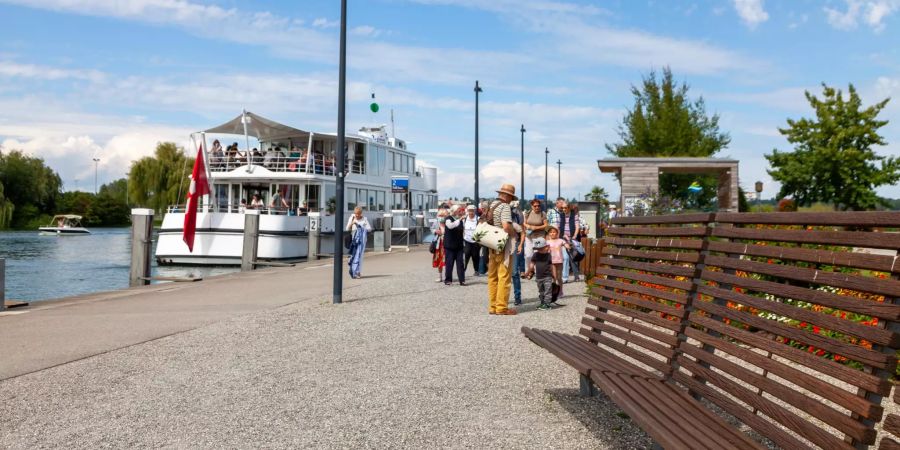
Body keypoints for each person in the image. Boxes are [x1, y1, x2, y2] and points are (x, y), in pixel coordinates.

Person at [486, 183, 518, 315]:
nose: (511, 200)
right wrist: (514, 234)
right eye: (511, 197)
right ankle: (501, 307)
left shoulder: (491, 205)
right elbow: (506, 226)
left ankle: (493, 306)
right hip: (502, 244)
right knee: (504, 276)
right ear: (507, 196)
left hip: (490, 243)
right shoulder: (504, 207)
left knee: (492, 276)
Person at [523, 237, 554, 311]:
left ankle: (547, 304)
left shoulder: (549, 255)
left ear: (546, 247)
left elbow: (551, 266)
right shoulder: (535, 255)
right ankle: (543, 302)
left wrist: (554, 276)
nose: (539, 250)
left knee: (548, 290)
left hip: (547, 276)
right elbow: (531, 265)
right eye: (538, 249)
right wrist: (527, 273)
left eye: (541, 248)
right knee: (541, 291)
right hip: (539, 277)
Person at [442, 205, 466, 285]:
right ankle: (448, 280)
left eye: (460, 210)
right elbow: (450, 226)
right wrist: (460, 219)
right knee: (449, 263)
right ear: (454, 211)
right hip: (449, 246)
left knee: (460, 263)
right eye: (458, 210)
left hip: (459, 245)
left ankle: (462, 280)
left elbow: (463, 230)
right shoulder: (448, 218)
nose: (460, 211)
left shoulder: (461, 220)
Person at [346, 206, 372, 279]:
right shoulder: (352, 218)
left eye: (358, 214)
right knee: (353, 255)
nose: (357, 215)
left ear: (361, 213)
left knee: (360, 256)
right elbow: (347, 228)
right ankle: (353, 270)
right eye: (356, 213)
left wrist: (362, 227)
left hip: (362, 241)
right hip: (354, 240)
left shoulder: (364, 219)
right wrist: (352, 223)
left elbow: (369, 229)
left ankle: (358, 272)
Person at [523, 198, 548, 271]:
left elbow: (546, 225)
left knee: (537, 254)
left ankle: (538, 271)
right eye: (535, 206)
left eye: (538, 206)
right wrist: (527, 226)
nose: (537, 207)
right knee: (528, 255)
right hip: (529, 236)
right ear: (531, 206)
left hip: (539, 236)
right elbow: (524, 223)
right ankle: (530, 269)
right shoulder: (528, 213)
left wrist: (535, 227)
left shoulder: (542, 214)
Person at [545, 226, 568, 303]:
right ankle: (554, 292)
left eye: (554, 232)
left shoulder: (560, 240)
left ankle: (561, 291)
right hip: (552, 261)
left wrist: (568, 245)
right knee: (553, 277)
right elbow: (544, 250)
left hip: (559, 261)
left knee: (559, 277)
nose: (552, 233)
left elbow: (566, 245)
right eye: (551, 232)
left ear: (557, 233)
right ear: (548, 234)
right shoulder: (547, 242)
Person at [510, 202, 526, 305]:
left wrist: (520, 245)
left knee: (515, 272)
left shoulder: (516, 216)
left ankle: (517, 297)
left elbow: (522, 231)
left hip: (514, 244)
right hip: (502, 247)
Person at [462, 204, 481, 277]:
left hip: (475, 242)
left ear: (475, 211)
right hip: (467, 240)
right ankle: (463, 270)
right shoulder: (465, 219)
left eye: (472, 211)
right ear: (467, 211)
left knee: (475, 256)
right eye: (469, 211)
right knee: (466, 255)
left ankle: (476, 270)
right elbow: (462, 229)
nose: (471, 213)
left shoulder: (478, 219)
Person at [432, 208, 447, 282]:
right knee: (439, 260)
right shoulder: (436, 222)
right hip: (438, 244)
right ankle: (440, 276)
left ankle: (447, 276)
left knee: (447, 261)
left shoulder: (448, 222)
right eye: (440, 215)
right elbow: (431, 229)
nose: (441, 217)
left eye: (443, 215)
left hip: (447, 244)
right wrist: (435, 231)